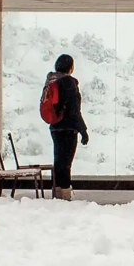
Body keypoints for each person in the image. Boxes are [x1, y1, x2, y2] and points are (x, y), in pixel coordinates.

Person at [47, 54, 88, 200]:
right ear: (70, 67)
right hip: (68, 128)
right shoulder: (69, 83)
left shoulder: (52, 81)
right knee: (66, 162)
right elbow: (74, 110)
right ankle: (64, 195)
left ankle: (58, 193)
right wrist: (83, 130)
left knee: (59, 160)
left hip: (55, 127)